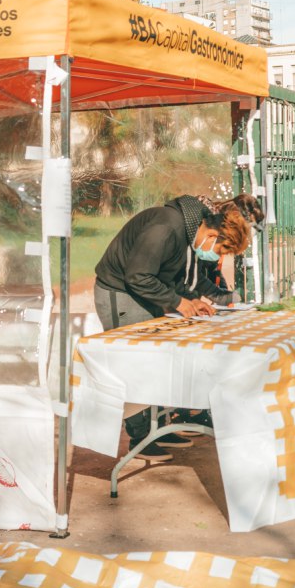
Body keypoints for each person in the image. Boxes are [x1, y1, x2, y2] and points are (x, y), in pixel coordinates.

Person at [94, 195, 251, 456]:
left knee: (154, 362)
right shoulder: (166, 229)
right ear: (212, 235)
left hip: (142, 293)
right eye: (221, 250)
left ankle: (157, 428)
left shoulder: (189, 232)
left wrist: (201, 299)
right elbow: (138, 275)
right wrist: (177, 302)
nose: (216, 256)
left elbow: (180, 277)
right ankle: (140, 439)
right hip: (120, 292)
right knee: (135, 364)